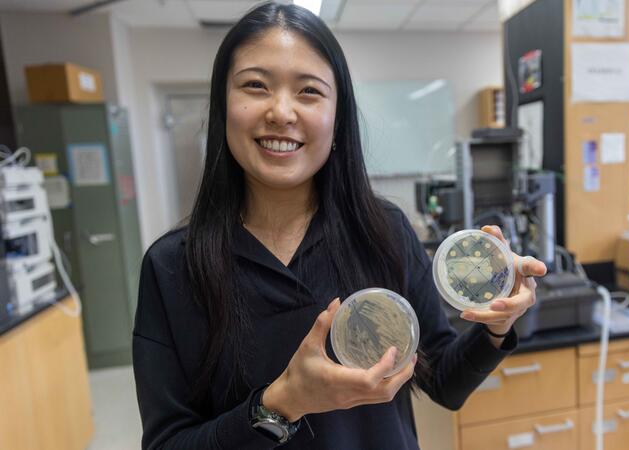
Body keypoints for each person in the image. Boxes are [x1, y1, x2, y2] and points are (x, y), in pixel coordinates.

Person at [132, 2, 547, 449]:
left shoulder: (383, 232)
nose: (282, 112)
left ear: (337, 117)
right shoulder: (173, 267)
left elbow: (444, 382)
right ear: (222, 105)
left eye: (308, 91)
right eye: (255, 85)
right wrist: (281, 402)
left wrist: (497, 325)